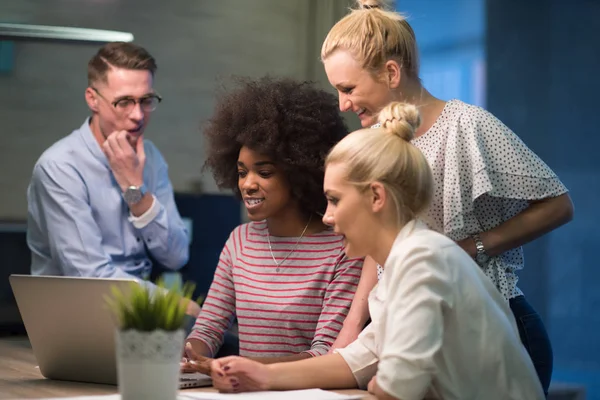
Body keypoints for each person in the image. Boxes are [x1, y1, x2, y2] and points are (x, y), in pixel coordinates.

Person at [207, 102, 546, 399]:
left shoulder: (424, 261)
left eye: (335, 200)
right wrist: (261, 375)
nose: (327, 216)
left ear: (376, 197)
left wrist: (379, 387)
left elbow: (392, 391)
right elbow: (356, 361)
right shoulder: (398, 272)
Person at [320, 0, 574, 393]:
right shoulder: (371, 145)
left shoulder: (468, 126)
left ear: (390, 72)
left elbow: (558, 204)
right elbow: (378, 238)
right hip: (414, 326)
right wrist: (353, 326)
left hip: (496, 328)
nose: (343, 104)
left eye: (348, 88)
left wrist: (470, 246)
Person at [180, 77, 363, 373]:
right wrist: (188, 357)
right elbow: (208, 329)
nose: (247, 184)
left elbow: (326, 355)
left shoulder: (343, 248)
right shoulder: (239, 241)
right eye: (241, 172)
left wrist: (240, 367)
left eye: (264, 172)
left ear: (299, 171)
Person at [26, 42, 196, 314]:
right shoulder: (59, 167)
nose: (138, 115)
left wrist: (134, 190)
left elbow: (176, 256)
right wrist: (171, 303)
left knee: (228, 347)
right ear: (92, 99)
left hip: (134, 313)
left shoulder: (150, 157)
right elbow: (88, 277)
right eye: (124, 102)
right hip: (74, 318)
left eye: (146, 101)